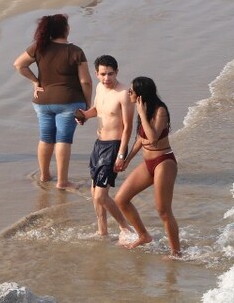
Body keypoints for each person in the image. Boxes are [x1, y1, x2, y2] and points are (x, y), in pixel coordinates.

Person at [13, 14, 93, 189]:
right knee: (63, 139)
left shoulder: (39, 47)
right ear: (66, 30)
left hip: (42, 102)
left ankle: (44, 175)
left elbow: (19, 65)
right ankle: (62, 181)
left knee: (46, 138)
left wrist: (36, 81)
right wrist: (88, 104)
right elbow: (85, 81)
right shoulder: (75, 51)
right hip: (69, 101)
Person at [114, 77, 181, 257]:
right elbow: (140, 139)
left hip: (164, 162)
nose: (129, 93)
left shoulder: (160, 111)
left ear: (141, 95)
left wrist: (142, 114)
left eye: (132, 91)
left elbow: (152, 138)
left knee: (163, 210)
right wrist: (126, 160)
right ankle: (144, 235)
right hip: (148, 164)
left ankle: (176, 253)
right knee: (121, 199)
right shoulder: (141, 108)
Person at [74, 55, 134, 239]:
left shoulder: (124, 93)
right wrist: (84, 115)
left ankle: (126, 228)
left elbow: (128, 127)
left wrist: (122, 154)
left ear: (117, 72)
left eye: (110, 74)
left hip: (114, 146)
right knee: (94, 193)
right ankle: (103, 232)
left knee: (101, 195)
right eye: (103, 74)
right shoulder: (100, 87)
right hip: (99, 144)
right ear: (96, 74)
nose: (107, 78)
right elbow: (97, 110)